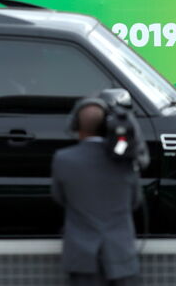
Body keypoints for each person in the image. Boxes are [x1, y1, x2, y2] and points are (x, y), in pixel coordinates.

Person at [52, 99, 141, 286]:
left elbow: (59, 198)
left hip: (82, 258)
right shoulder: (124, 160)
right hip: (121, 255)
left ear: (76, 125)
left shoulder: (63, 159)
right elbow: (135, 200)